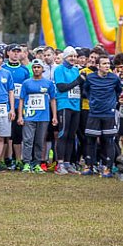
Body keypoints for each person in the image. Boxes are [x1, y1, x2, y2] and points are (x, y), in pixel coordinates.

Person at [82, 55, 122, 177]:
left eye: (108, 64)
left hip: (108, 113)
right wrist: (93, 101)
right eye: (104, 64)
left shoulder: (114, 78)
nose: (107, 66)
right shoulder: (90, 78)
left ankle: (108, 168)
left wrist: (111, 103)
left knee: (108, 140)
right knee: (90, 140)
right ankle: (89, 165)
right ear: (98, 66)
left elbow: (118, 91)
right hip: (94, 113)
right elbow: (86, 91)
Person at [17, 59, 56, 173]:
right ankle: (27, 163)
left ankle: (37, 163)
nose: (36, 69)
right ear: (32, 69)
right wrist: (20, 116)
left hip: (44, 116)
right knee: (28, 140)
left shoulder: (48, 83)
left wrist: (54, 116)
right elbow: (21, 100)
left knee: (40, 140)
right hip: (29, 115)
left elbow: (53, 100)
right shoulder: (26, 83)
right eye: (34, 67)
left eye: (38, 67)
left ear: (42, 69)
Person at [53, 46, 82, 175]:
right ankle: (59, 164)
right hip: (64, 104)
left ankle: (68, 163)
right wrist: (78, 81)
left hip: (76, 105)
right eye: (71, 56)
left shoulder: (76, 70)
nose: (73, 59)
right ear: (65, 57)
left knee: (72, 135)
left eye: (75, 56)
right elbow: (61, 87)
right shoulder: (59, 69)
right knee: (63, 134)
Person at [4, 44, 30, 169]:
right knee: (5, 134)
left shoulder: (24, 70)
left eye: (18, 52)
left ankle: (18, 160)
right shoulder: (3, 68)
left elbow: (27, 88)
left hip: (19, 106)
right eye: (13, 51)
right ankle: (7, 158)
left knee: (17, 134)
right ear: (8, 53)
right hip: (4, 106)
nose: (15, 54)